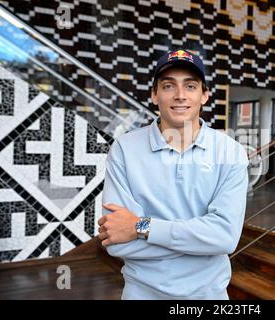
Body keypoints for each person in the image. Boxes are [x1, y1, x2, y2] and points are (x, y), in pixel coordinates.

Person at [97, 49, 249, 300]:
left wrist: (139, 226)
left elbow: (224, 238)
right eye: (169, 86)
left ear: (205, 95)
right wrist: (199, 243)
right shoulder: (124, 149)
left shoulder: (230, 152)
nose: (180, 95)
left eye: (190, 86)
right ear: (155, 96)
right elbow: (118, 241)